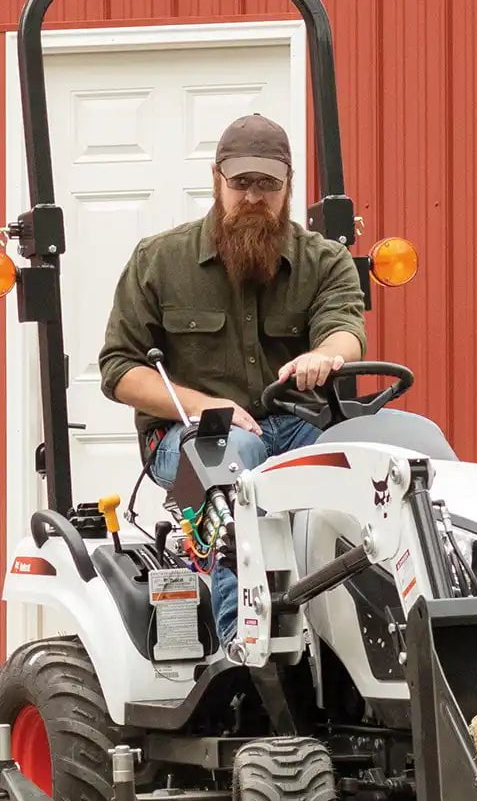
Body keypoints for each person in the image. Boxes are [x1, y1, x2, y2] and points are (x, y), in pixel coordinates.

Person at [98, 113, 366, 645]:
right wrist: (202, 407)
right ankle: (242, 642)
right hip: (187, 436)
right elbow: (119, 370)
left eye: (268, 184)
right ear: (216, 180)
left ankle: (379, 629)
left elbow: (345, 332)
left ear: (288, 187)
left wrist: (324, 356)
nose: (253, 196)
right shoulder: (159, 260)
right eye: (241, 182)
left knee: (383, 454)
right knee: (236, 459)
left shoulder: (325, 260)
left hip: (294, 425)